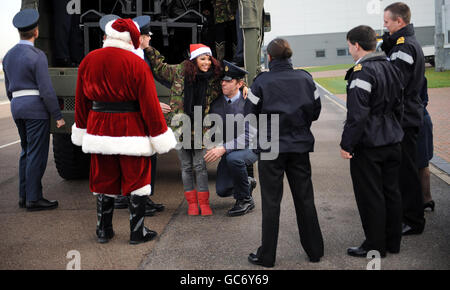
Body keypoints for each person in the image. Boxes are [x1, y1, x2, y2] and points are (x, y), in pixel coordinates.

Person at [71, 18, 177, 244]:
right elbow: (149, 104)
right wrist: (159, 133)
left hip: (99, 128)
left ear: (106, 37)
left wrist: (81, 128)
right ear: (132, 39)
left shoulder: (88, 61)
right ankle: (137, 233)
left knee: (103, 179)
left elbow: (81, 102)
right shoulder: (136, 63)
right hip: (131, 129)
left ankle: (103, 230)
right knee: (137, 180)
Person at [247, 38, 324, 267]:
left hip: (271, 149)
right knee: (305, 199)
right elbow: (316, 111)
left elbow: (249, 115)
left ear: (269, 57)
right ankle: (315, 251)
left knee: (271, 203)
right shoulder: (306, 79)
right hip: (299, 146)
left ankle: (267, 256)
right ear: (289, 56)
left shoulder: (260, 82)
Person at [341, 25, 405, 258]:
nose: (349, 49)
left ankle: (374, 245)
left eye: (349, 45)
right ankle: (393, 241)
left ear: (356, 45)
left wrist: (347, 144)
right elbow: (400, 105)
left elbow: (357, 114)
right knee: (392, 192)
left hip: (369, 144)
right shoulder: (391, 67)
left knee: (371, 196)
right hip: (392, 139)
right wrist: (394, 128)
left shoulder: (362, 72)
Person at [143, 43, 223, 216]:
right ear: (194, 60)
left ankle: (204, 203)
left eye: (209, 59)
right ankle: (192, 204)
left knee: (200, 166)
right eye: (203, 59)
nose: (207, 63)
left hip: (201, 129)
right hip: (180, 128)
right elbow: (159, 66)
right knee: (186, 167)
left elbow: (231, 80)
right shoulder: (178, 72)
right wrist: (148, 48)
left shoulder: (213, 78)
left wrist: (244, 86)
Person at [3, 8, 65, 211]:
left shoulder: (8, 56)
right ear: (36, 32)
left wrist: (17, 104)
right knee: (37, 154)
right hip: (34, 109)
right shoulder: (37, 55)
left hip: (17, 107)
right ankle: (34, 198)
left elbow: (9, 87)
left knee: (26, 151)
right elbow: (46, 90)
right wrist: (57, 115)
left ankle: (24, 195)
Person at [381, 2, 426, 235]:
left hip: (404, 116)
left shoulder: (404, 47)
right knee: (404, 170)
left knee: (406, 172)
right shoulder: (401, 44)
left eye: (387, 21)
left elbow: (395, 83)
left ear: (400, 21)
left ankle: (413, 220)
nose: (384, 25)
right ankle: (409, 216)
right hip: (407, 114)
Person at [204, 60, 258, 217]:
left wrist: (223, 148)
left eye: (229, 81)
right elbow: (214, 132)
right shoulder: (215, 105)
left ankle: (245, 200)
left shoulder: (249, 103)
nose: (223, 83)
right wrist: (212, 144)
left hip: (251, 148)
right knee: (222, 190)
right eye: (223, 80)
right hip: (229, 150)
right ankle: (247, 182)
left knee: (234, 158)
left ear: (239, 84)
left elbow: (249, 135)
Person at [416, 78, 435, 212]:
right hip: (424, 118)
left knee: (420, 164)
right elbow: (425, 100)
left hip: (417, 122)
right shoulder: (421, 77)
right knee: (423, 163)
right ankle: (426, 199)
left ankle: (425, 199)